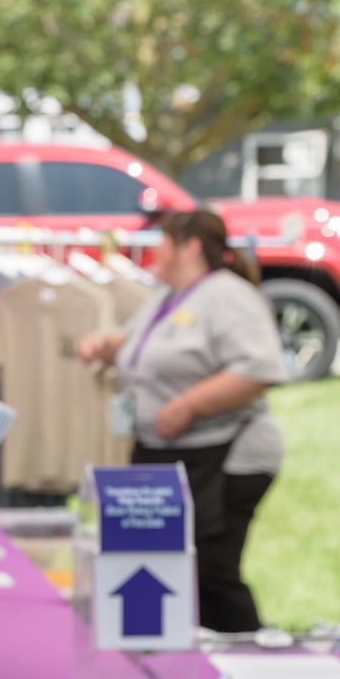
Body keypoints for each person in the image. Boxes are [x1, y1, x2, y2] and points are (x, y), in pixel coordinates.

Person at [79, 209, 287, 633]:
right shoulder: (171, 296)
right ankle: (180, 654)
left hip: (227, 455)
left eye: (162, 240)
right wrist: (109, 346)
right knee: (166, 568)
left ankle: (248, 659)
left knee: (212, 570)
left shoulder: (229, 297)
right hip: (168, 455)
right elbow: (148, 343)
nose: (155, 249)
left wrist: (190, 404)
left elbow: (259, 368)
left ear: (189, 246)